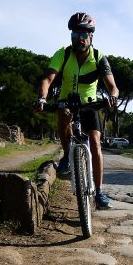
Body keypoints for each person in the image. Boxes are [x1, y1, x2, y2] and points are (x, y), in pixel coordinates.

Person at [35, 12, 119, 209]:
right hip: (67, 101)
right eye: (74, 35)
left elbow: (112, 86)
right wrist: (42, 98)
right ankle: (66, 156)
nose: (78, 39)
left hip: (90, 104)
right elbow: (47, 79)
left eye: (83, 35)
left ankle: (98, 192)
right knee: (63, 115)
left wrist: (113, 97)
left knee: (96, 144)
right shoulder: (63, 54)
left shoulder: (98, 57)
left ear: (91, 36)